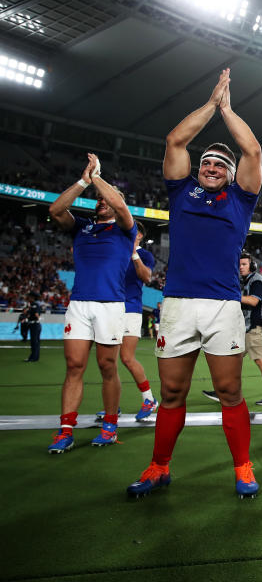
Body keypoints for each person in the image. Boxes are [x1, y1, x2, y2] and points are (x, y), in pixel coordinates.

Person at [127, 69, 262, 498]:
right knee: (171, 392)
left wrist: (228, 110)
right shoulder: (180, 190)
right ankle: (158, 466)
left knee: (229, 389)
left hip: (223, 304)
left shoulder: (242, 198)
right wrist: (210, 104)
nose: (210, 167)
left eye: (220, 164)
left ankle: (242, 467)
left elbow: (253, 149)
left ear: (230, 173)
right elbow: (175, 141)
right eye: (206, 162)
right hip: (179, 303)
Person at [47, 153, 136, 453]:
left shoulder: (125, 230)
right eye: (98, 199)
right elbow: (56, 209)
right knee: (74, 366)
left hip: (110, 305)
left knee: (107, 366)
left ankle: (110, 424)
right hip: (80, 305)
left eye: (105, 199)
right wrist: (84, 180)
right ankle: (66, 429)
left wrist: (98, 178)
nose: (101, 201)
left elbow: (121, 206)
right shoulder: (81, 227)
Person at [205, 250, 262, 405]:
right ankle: (223, 390)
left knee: (260, 360)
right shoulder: (246, 281)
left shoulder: (256, 281)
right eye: (239, 264)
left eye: (244, 264)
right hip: (245, 328)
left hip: (253, 327)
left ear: (252, 265)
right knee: (233, 359)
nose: (241, 267)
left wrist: (232, 296)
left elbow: (253, 301)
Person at [120, 221, 158, 422]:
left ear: (140, 235)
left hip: (130, 309)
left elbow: (147, 278)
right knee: (106, 362)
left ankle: (149, 399)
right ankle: (112, 406)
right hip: (109, 307)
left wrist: (133, 252)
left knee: (126, 357)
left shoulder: (145, 255)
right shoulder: (116, 249)